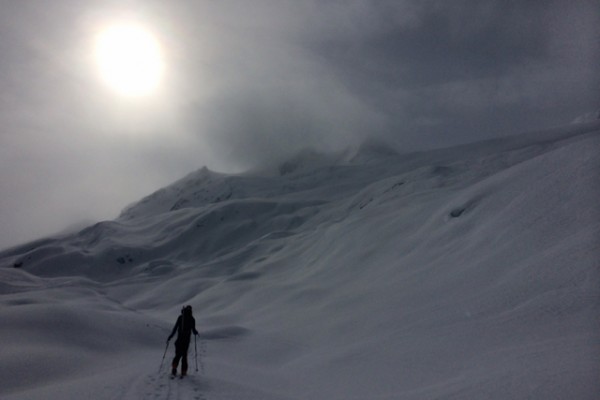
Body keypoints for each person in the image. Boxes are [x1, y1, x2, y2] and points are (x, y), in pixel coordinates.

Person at [167, 305, 199, 377]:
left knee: (178, 354)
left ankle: (174, 369)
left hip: (179, 339)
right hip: (186, 341)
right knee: (184, 356)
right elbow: (193, 331)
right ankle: (183, 372)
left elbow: (175, 328)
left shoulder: (180, 317)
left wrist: (170, 336)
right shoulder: (192, 319)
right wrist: (196, 332)